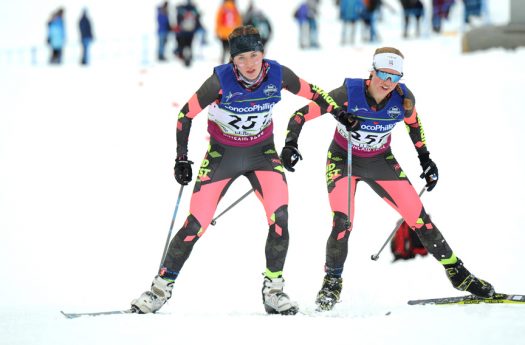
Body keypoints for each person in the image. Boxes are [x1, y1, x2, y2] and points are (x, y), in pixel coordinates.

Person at [131, 25, 344, 315]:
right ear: (233, 60)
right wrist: (182, 158)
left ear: (262, 54)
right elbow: (186, 114)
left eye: (254, 55)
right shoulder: (219, 80)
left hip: (262, 154)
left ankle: (273, 290)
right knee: (195, 223)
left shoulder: (278, 74)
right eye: (241, 58)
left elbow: (317, 94)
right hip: (222, 156)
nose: (249, 64)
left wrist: (318, 127)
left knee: (280, 217)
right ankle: (159, 289)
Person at [280, 47, 495, 311]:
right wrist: (291, 144)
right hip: (343, 161)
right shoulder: (347, 94)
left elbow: (413, 124)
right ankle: (332, 283)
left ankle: (458, 274)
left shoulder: (404, 99)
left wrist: (425, 160)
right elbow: (299, 115)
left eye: (395, 76)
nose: (387, 82)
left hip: (380, 161)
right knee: (342, 221)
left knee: (420, 219)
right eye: (383, 73)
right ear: (372, 71)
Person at [174, 0, 202, 66]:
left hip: (183, 32)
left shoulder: (182, 10)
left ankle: (183, 56)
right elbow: (197, 20)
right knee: (189, 45)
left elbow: (178, 20)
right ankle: (189, 57)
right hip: (191, 32)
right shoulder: (193, 11)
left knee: (183, 45)